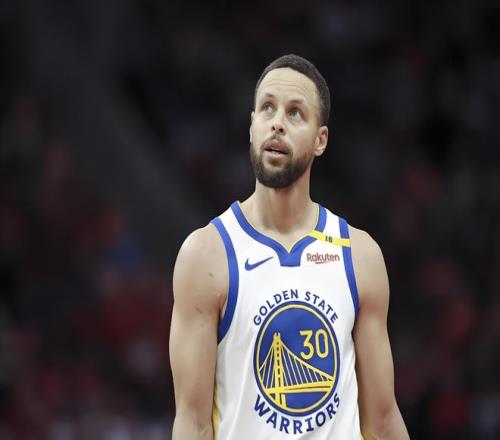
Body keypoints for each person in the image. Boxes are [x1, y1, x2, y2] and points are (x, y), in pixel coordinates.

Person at [169, 54, 410, 439]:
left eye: (295, 113)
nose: (277, 122)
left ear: (320, 140)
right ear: (252, 127)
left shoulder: (359, 255)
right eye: (267, 108)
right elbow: (193, 423)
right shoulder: (206, 255)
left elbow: (381, 422)